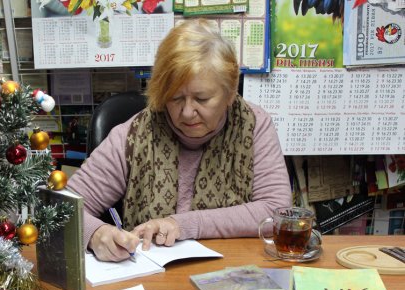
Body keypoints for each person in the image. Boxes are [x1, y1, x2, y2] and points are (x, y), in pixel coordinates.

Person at [67, 18, 291, 262]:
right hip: (154, 282)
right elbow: (65, 208)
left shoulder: (253, 126)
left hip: (236, 272)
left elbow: (275, 211)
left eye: (202, 99)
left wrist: (183, 223)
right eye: (175, 98)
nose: (186, 112)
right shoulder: (134, 135)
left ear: (229, 92)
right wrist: (94, 233)